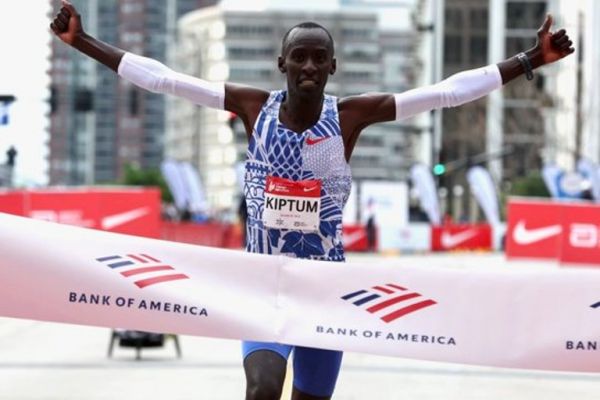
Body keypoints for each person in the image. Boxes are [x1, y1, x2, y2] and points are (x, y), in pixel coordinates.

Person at [50, 1, 574, 398]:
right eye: (298, 56)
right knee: (261, 389)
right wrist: (83, 41)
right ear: (282, 62)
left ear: (332, 67)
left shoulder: (349, 117)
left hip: (327, 289)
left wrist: (531, 59)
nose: (308, 66)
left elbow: (446, 92)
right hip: (264, 285)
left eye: (318, 59)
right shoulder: (252, 108)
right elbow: (163, 79)